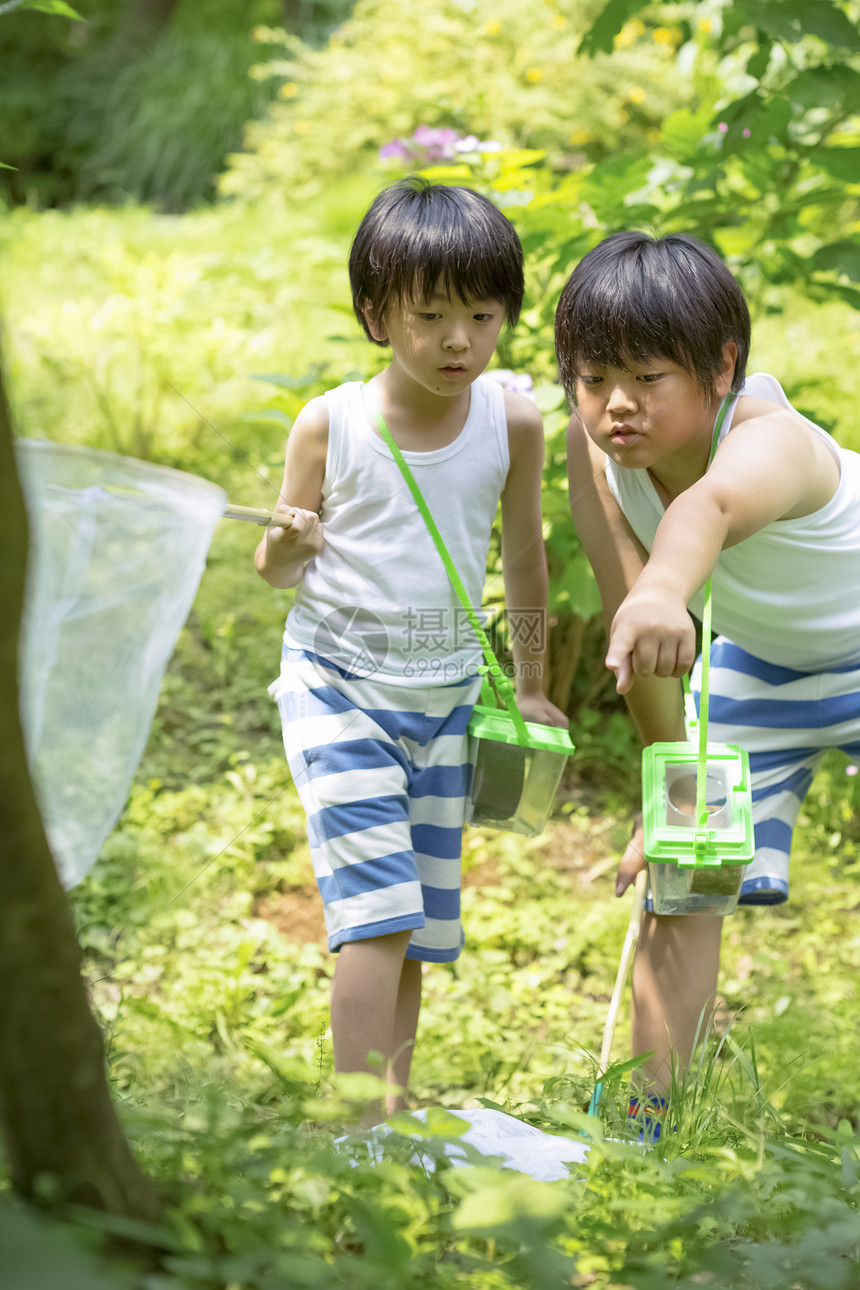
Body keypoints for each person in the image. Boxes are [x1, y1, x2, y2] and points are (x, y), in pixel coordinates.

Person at [256, 178, 567, 1120]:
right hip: (337, 687)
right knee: (378, 914)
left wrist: (534, 687)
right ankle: (361, 1133)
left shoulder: (511, 421)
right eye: (429, 316)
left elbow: (523, 561)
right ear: (375, 314)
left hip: (444, 698)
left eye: (482, 314)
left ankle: (392, 1111)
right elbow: (273, 567)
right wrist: (289, 542)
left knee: (422, 926)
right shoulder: (332, 423)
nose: (459, 341)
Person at [557, 230, 860, 1128]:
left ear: (721, 367)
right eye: (593, 377)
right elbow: (638, 638)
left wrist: (660, 589)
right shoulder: (602, 457)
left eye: (649, 378)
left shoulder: (776, 442)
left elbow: (710, 508)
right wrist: (673, 787)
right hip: (760, 670)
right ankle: (647, 1123)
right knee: (685, 867)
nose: (618, 405)